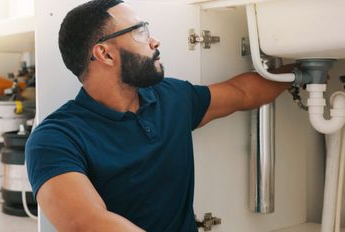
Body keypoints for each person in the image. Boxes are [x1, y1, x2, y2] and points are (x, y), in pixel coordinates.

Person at [25, 0, 293, 231]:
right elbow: (87, 224)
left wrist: (301, 71)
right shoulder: (55, 139)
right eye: (140, 32)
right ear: (105, 53)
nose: (154, 40)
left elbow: (241, 93)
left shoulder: (170, 97)